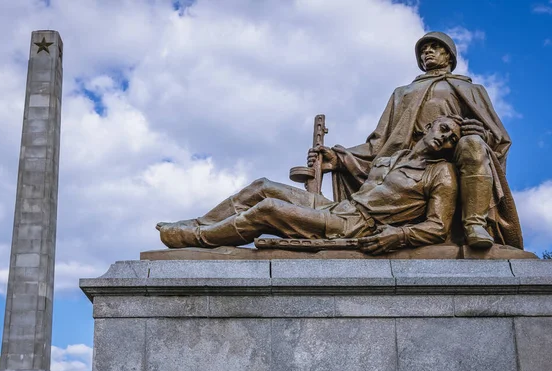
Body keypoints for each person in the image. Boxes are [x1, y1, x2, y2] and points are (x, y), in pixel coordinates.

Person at [309, 32, 522, 249]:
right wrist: (338, 157)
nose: (426, 52)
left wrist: (482, 134)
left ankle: (474, 224)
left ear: (449, 56)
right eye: (423, 50)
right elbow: (380, 142)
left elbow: (499, 138)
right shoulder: (403, 93)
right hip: (409, 161)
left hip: (454, 153)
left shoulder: (471, 89)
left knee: (473, 143)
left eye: (434, 47)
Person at [157, 116, 461, 255]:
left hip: (354, 225)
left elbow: (438, 226)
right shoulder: (393, 157)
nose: (446, 138)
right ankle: (198, 221)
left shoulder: (442, 174)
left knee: (268, 210)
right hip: (339, 208)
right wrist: (333, 162)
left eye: (452, 139)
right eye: (444, 129)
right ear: (427, 127)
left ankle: (196, 238)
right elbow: (361, 173)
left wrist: (399, 234)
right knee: (262, 186)